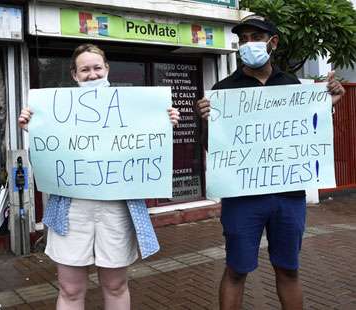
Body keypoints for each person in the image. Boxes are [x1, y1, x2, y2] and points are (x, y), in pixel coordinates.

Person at [195, 15, 346, 310]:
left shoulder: (293, 86)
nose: (249, 44)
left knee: (289, 269)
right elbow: (211, 147)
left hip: (288, 196)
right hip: (242, 198)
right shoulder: (223, 90)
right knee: (236, 270)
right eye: (244, 39)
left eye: (256, 37)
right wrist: (206, 121)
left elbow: (307, 135)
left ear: (272, 42)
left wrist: (330, 102)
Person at [18, 43, 180, 310]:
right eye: (85, 70)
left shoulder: (132, 107)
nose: (91, 74)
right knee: (70, 290)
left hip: (116, 209)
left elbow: (147, 145)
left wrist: (164, 123)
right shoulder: (57, 111)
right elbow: (46, 158)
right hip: (70, 211)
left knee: (116, 286)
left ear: (107, 69)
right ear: (74, 75)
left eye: (97, 68)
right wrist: (32, 129)